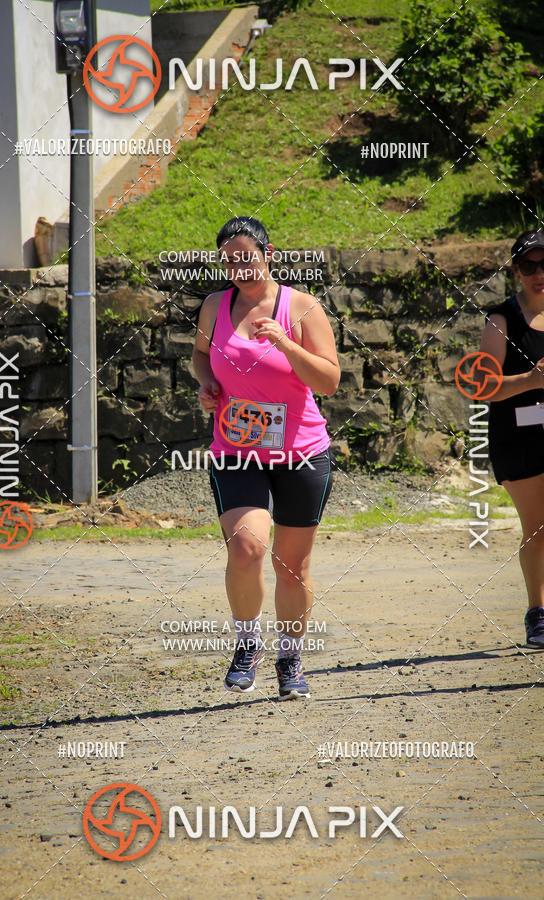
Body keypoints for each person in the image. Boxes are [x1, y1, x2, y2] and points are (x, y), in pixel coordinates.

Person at [192, 217, 340, 699]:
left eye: (246, 256)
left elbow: (328, 380)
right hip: (237, 451)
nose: (239, 265)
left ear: (268, 253)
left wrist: (283, 342)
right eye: (229, 259)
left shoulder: (302, 307)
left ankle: (291, 659)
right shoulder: (215, 305)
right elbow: (199, 355)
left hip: (301, 453)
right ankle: (247, 643)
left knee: (291, 565)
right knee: (246, 547)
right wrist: (206, 385)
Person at [480, 229, 544, 648]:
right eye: (528, 266)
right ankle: (537, 613)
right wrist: (532, 379)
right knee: (538, 527)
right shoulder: (499, 320)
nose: (539, 273)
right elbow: (483, 386)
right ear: (515, 270)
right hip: (517, 438)